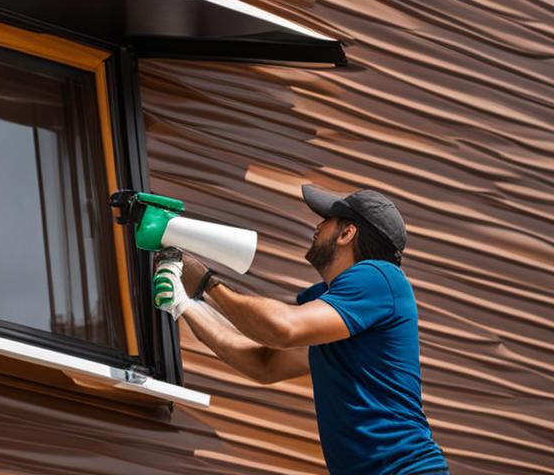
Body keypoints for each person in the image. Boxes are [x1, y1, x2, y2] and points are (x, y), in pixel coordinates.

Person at [153, 184, 448, 475]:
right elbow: (263, 364)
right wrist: (186, 303)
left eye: (326, 220)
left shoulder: (381, 278)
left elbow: (283, 328)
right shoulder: (341, 318)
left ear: (347, 233)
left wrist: (207, 283)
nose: (317, 226)